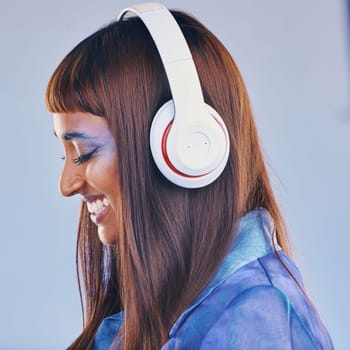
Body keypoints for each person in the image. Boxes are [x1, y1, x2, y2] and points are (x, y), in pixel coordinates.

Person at [46, 3, 334, 349]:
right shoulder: (165, 309)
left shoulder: (259, 322)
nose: (67, 185)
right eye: (66, 155)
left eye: (84, 153)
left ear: (183, 149)